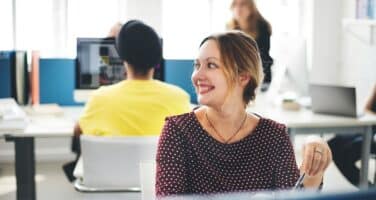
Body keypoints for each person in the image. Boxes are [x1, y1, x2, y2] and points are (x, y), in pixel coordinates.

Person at [155, 31, 332, 197]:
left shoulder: (274, 136)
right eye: (197, 65)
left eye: (211, 65)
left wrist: (314, 170)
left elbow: (293, 196)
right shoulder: (178, 131)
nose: (197, 75)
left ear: (243, 77)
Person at [63, 20, 191, 182]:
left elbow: (79, 134)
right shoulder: (179, 98)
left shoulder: (100, 99)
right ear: (157, 57)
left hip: (110, 188)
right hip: (161, 187)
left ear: (121, 56)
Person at [328, 85, 376, 187]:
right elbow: (366, 109)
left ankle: (367, 190)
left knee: (346, 153)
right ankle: (368, 188)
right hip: (370, 129)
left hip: (372, 136)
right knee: (332, 145)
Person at [227, 0, 273, 91]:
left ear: (251, 7)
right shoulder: (230, 27)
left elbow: (263, 57)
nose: (238, 8)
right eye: (235, 4)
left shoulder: (262, 27)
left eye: (243, 4)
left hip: (260, 77)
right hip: (238, 78)